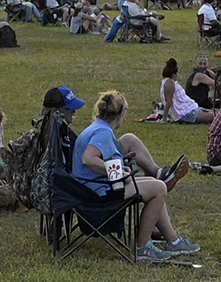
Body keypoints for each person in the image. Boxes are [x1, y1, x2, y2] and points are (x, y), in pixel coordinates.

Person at [73, 89, 194, 262]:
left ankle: (173, 241)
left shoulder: (98, 127)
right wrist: (120, 173)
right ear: (120, 115)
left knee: (154, 183)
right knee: (158, 188)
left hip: (92, 186)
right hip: (97, 193)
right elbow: (88, 159)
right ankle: (143, 248)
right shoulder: (103, 133)